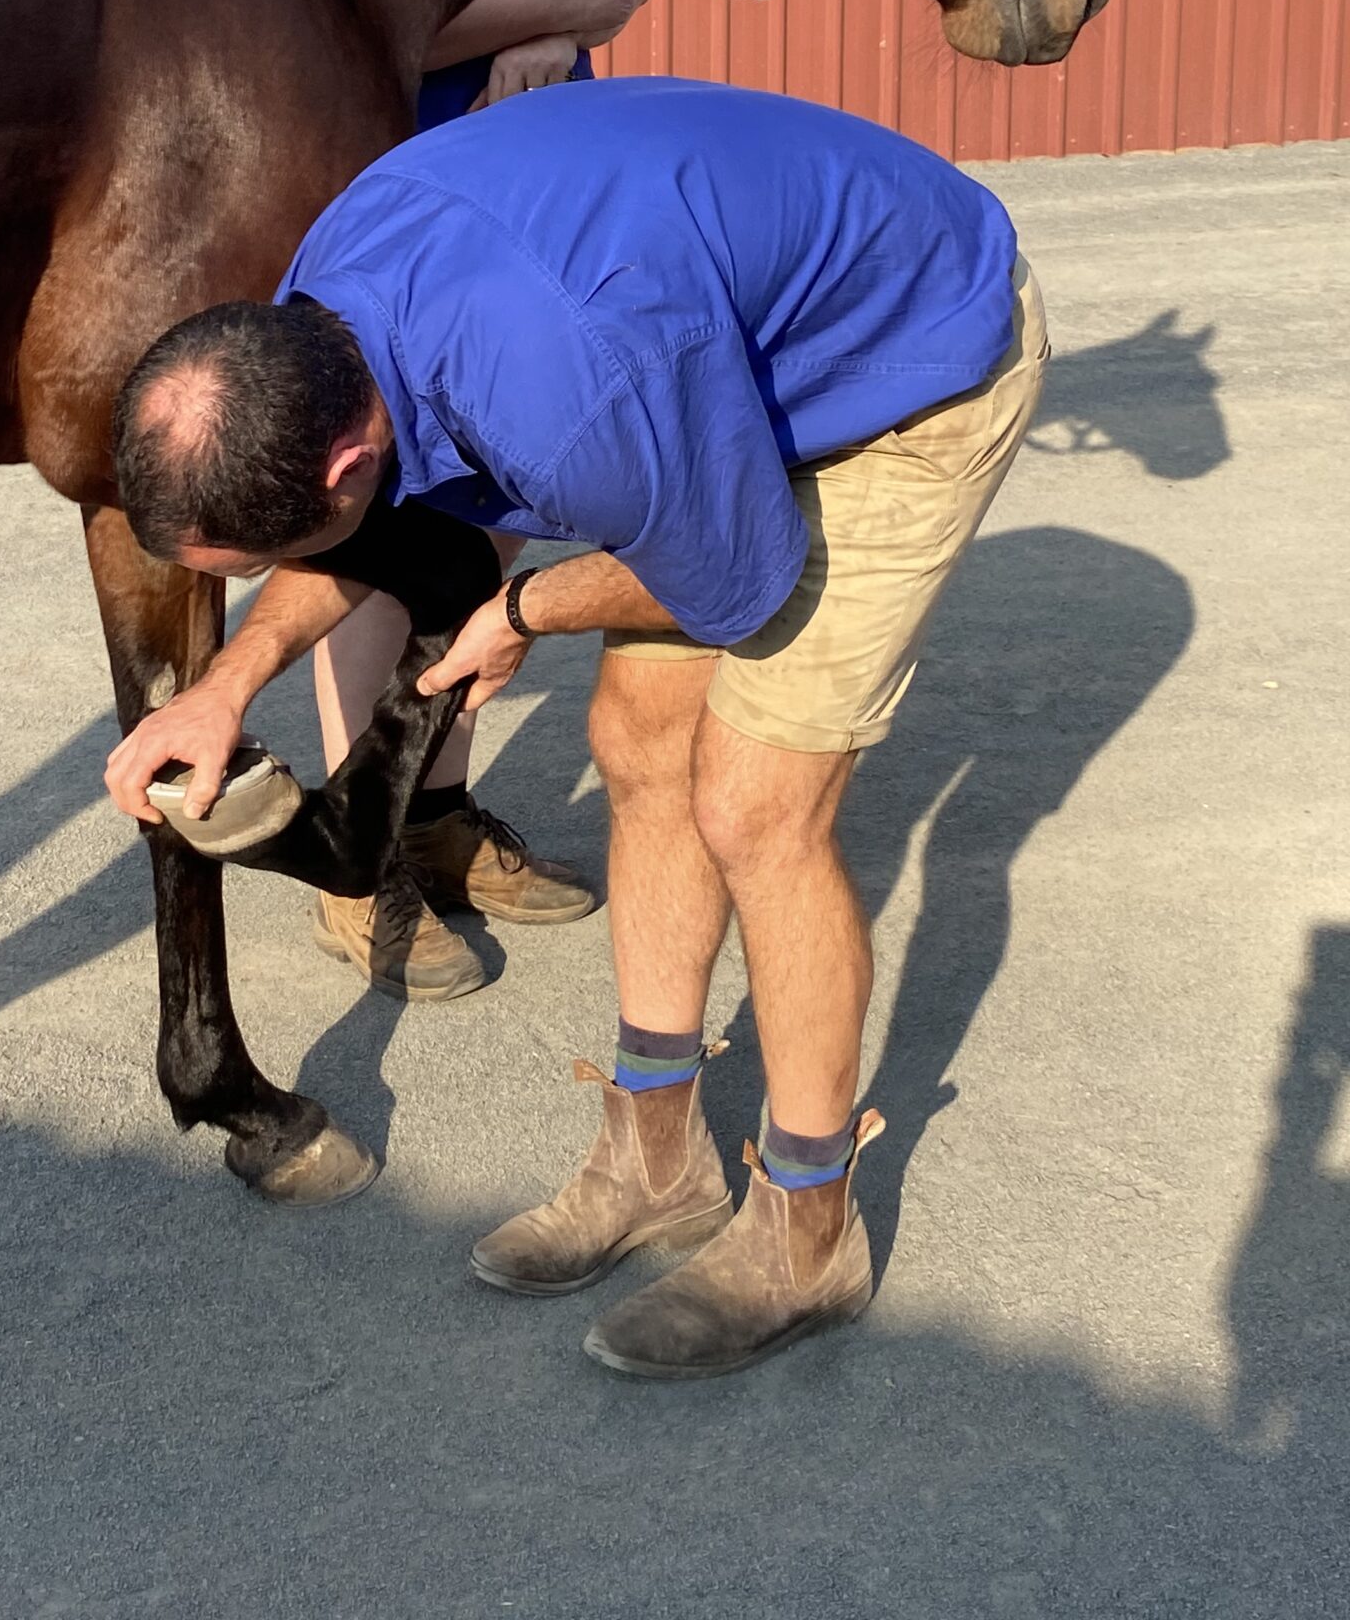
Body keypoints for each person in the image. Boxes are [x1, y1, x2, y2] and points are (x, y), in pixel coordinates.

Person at [104, 79, 1048, 1380]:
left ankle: (809, 1225)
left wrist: (523, 608)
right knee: (640, 747)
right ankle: (659, 1155)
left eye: (260, 554)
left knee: (756, 805)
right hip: (707, 364)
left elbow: (735, 575)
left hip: (909, 365)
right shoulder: (316, 319)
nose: (258, 576)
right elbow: (370, 531)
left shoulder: (565, 386)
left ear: (338, 462)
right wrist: (228, 680)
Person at [309, 0, 656, 1003]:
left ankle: (437, 815)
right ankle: (352, 850)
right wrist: (541, 19)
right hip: (391, 199)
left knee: (496, 515)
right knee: (373, 534)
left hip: (529, 192)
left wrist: (564, 14)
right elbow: (347, 8)